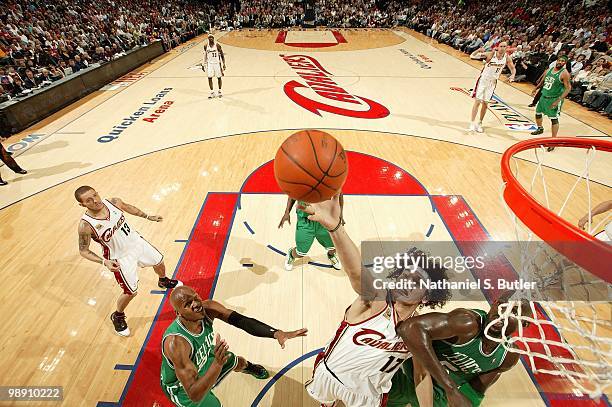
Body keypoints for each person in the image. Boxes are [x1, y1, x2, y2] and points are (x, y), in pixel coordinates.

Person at [301, 196, 451, 407]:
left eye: (416, 281)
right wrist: (335, 228)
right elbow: (356, 273)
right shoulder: (378, 301)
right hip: (332, 375)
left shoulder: (419, 330)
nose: (405, 281)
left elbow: (421, 376)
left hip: (369, 396)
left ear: (427, 296)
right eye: (404, 274)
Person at [161, 285, 307, 407]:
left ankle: (249, 367)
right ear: (178, 313)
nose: (196, 304)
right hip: (183, 387)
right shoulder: (176, 343)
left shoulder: (208, 308)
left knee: (235, 360)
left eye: (195, 297)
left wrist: (275, 333)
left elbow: (241, 321)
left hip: (204, 359)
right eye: (188, 304)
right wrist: (217, 364)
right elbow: (194, 394)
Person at [75, 186, 181, 336]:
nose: (95, 200)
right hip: (120, 258)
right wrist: (104, 262)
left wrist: (147, 216)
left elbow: (128, 207)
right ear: (82, 205)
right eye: (89, 200)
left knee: (159, 262)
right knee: (130, 292)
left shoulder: (113, 202)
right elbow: (83, 251)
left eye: (95, 195)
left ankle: (163, 281)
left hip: (137, 242)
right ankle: (117, 315)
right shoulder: (86, 225)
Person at [388, 296, 531, 407]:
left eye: (513, 311)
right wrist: (452, 390)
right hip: (406, 378)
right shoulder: (467, 323)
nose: (502, 313)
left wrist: (458, 398)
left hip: (439, 397)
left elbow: (475, 391)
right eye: (502, 304)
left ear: (524, 323)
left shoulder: (507, 356)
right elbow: (409, 328)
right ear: (494, 304)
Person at [278, 194, 343, 271]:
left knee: (334, 246)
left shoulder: (329, 182)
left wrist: (340, 214)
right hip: (305, 221)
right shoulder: (301, 182)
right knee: (300, 253)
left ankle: (331, 255)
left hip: (323, 219)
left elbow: (339, 194)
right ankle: (291, 254)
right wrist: (287, 212)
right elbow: (292, 195)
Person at [468, 42, 516, 133]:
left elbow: (513, 69)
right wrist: (478, 50)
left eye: (504, 46)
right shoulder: (490, 54)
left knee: (485, 104)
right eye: (501, 46)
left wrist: (513, 75)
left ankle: (480, 123)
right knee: (477, 101)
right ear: (497, 47)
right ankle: (472, 123)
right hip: (483, 80)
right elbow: (472, 56)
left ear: (506, 48)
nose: (502, 48)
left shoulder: (507, 58)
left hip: (492, 82)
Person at [530, 54, 572, 151]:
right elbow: (543, 82)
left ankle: (553, 140)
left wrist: (558, 100)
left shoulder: (564, 73)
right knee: (537, 113)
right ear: (557, 60)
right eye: (559, 60)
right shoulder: (549, 69)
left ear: (565, 63)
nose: (560, 62)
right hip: (544, 96)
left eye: (562, 61)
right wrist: (535, 89)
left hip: (554, 98)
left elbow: (568, 88)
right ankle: (540, 128)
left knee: (554, 119)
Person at [203, 34, 226, 99]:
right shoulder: (205, 46)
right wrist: (203, 64)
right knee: (209, 77)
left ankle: (219, 91)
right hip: (210, 64)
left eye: (212, 37)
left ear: (213, 38)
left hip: (217, 64)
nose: (211, 38)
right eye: (209, 37)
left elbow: (222, 55)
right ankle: (212, 92)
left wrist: (224, 63)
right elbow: (205, 55)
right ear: (208, 39)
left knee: (219, 77)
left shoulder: (217, 45)